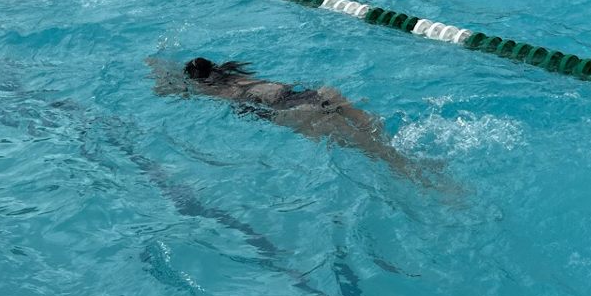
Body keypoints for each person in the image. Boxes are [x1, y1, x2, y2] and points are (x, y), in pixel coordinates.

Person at [147, 55, 426, 181]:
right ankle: (408, 155)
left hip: (294, 113)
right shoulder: (238, 75)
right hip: (308, 95)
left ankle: (411, 173)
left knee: (368, 149)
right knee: (367, 127)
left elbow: (166, 92)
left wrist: (157, 66)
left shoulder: (217, 92)